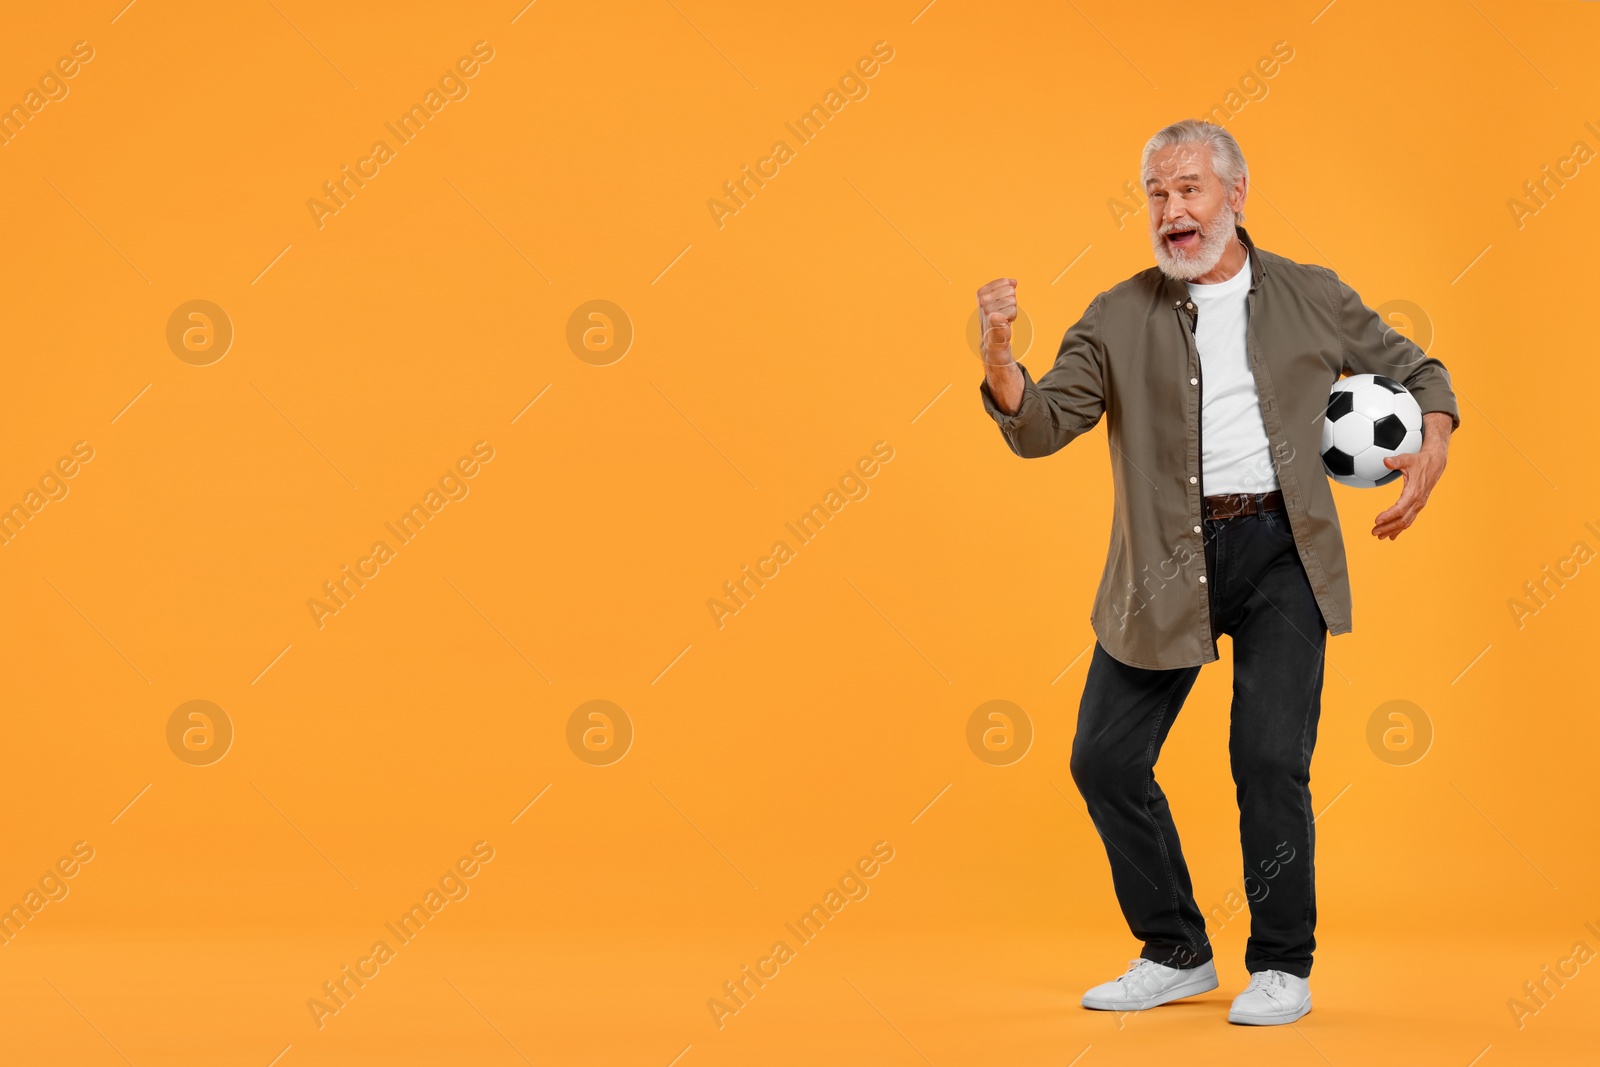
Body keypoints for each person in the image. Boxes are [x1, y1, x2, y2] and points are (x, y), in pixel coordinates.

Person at [974, 118, 1460, 1026]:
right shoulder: (1116, 314)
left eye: (1190, 188)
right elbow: (1040, 427)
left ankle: (1281, 961)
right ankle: (1176, 949)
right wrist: (1002, 364)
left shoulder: (1312, 295)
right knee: (1104, 759)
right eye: (1157, 194)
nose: (1172, 210)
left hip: (1284, 551)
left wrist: (1433, 438)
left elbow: (1419, 369)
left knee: (1269, 758)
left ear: (1236, 194)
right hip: (1163, 562)